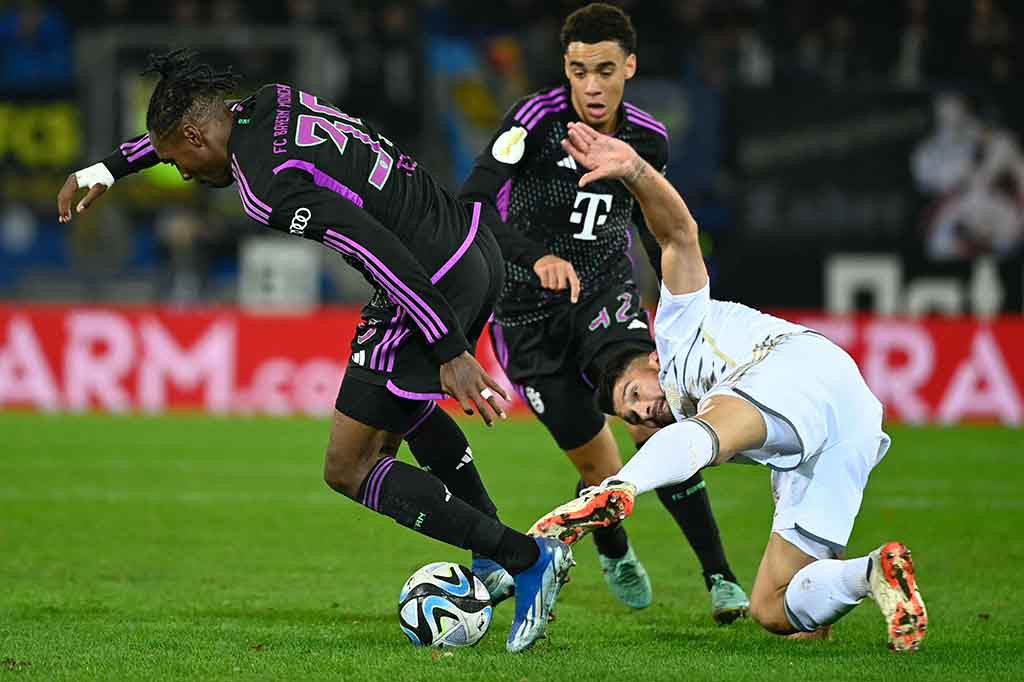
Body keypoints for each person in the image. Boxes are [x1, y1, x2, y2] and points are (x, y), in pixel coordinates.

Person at [56, 49, 572, 653]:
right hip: (469, 245)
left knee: (349, 467)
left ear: (195, 136)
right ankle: (495, 558)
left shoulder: (264, 188)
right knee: (401, 415)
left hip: (424, 274)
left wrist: (448, 347)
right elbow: (180, 132)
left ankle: (527, 557)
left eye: (177, 161)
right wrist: (109, 167)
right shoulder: (271, 100)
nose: (184, 174)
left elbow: (369, 242)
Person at [529, 121, 928, 652]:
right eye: (636, 418)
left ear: (651, 359)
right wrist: (827, 593)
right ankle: (874, 571)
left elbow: (679, 235)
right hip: (844, 427)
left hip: (798, 366)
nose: (646, 411)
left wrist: (636, 171)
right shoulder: (692, 421)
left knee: (709, 433)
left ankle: (617, 489)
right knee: (774, 606)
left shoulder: (677, 327)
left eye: (634, 395)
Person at [459, 2, 747, 620]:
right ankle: (614, 548)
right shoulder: (534, 122)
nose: (591, 85)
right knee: (601, 465)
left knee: (653, 418)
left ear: (630, 67)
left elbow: (654, 225)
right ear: (566, 68)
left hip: (605, 296)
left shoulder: (647, 139)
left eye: (605, 70)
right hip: (528, 316)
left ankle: (720, 577)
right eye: (579, 70)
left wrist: (684, 299)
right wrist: (535, 257)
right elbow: (473, 205)